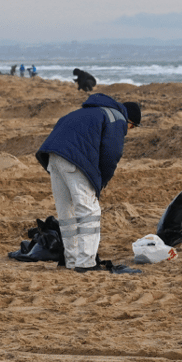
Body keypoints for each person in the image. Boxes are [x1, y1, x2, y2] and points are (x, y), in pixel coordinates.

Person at [35, 94, 142, 272]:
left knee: (67, 212)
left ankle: (71, 260)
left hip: (52, 158)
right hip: (73, 159)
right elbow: (111, 154)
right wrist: (99, 183)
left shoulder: (87, 112)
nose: (129, 130)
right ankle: (86, 263)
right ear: (130, 121)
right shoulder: (116, 118)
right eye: (133, 127)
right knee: (89, 211)